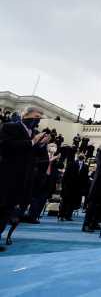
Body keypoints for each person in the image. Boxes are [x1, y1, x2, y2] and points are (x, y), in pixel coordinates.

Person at [0, 107, 49, 252]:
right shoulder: (10, 127)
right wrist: (31, 142)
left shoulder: (34, 133)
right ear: (25, 115)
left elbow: (33, 156)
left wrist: (40, 145)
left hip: (23, 178)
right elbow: (5, 145)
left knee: (8, 209)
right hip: (7, 175)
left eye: (40, 117)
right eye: (36, 116)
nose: (38, 119)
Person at [26, 143, 62, 223]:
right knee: (35, 199)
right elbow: (38, 163)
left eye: (55, 146)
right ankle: (31, 216)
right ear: (47, 147)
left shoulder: (57, 159)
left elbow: (60, 166)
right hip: (39, 180)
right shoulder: (43, 155)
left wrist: (56, 159)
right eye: (52, 146)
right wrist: (49, 160)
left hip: (49, 181)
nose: (53, 148)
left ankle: (35, 216)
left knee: (42, 200)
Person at [60, 154, 89, 220]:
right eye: (80, 154)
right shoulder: (71, 163)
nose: (82, 156)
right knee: (65, 201)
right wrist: (63, 185)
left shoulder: (86, 166)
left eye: (83, 155)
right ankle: (61, 215)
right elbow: (66, 175)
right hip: (69, 186)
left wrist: (84, 188)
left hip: (78, 188)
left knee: (73, 203)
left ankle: (68, 216)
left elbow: (85, 178)